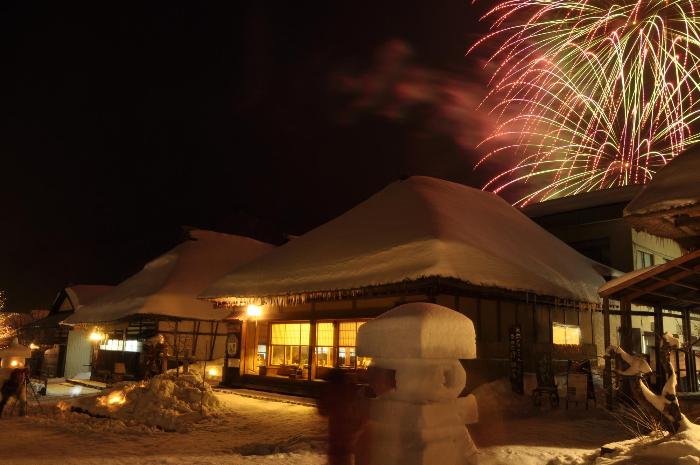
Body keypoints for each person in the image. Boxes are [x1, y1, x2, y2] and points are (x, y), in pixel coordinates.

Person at [317, 369, 369, 465]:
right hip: (344, 442)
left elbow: (322, 410)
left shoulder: (335, 394)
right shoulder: (348, 392)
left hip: (339, 443)